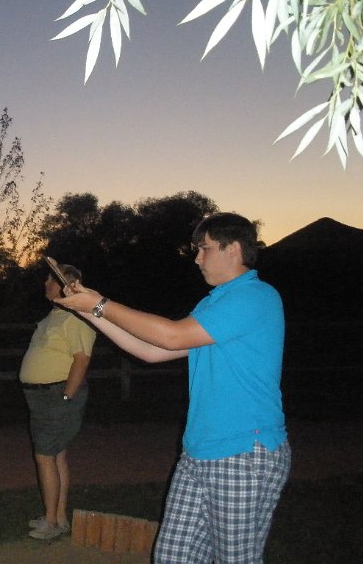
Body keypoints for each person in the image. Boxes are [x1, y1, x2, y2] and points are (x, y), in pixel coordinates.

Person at [56, 212, 290, 563]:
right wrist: (91, 313)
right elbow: (153, 350)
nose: (197, 258)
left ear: (234, 248)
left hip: (244, 451)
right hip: (198, 453)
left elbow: (171, 334)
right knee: (172, 556)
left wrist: (101, 304)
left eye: (204, 248)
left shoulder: (255, 297)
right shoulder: (215, 303)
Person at [20, 263, 97, 540]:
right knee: (56, 456)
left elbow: (82, 359)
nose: (45, 284)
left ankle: (51, 522)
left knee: (44, 456)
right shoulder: (54, 315)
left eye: (51, 280)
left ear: (68, 283)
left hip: (57, 395)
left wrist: (67, 396)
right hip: (42, 397)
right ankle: (59, 517)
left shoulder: (76, 317)